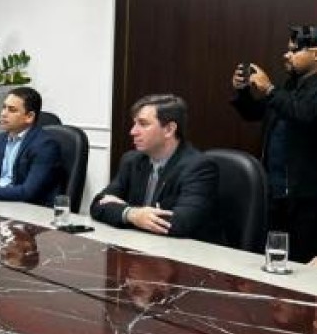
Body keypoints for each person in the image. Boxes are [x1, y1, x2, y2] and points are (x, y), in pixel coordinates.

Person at [231, 32, 317, 263]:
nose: (286, 55)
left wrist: (270, 90)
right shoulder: (291, 83)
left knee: (303, 263)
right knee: (271, 259)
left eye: (294, 50)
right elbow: (254, 113)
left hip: (311, 195)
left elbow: (306, 114)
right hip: (276, 189)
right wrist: (243, 91)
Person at [90, 93, 220, 242]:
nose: (133, 131)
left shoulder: (199, 167)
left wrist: (128, 212)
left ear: (169, 129)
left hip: (185, 252)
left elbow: (181, 223)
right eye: (134, 124)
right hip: (140, 245)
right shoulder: (132, 160)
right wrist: (132, 214)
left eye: (143, 124)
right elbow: (97, 205)